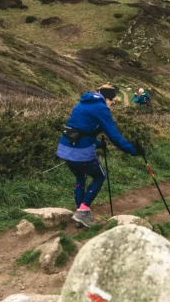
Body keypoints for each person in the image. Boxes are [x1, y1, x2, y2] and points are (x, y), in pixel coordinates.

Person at [56, 84, 144, 227]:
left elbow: (79, 131)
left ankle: (80, 216)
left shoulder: (82, 103)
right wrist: (133, 150)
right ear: (108, 99)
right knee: (99, 176)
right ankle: (83, 211)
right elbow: (114, 136)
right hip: (81, 152)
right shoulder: (101, 107)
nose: (111, 105)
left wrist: (98, 144)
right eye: (112, 101)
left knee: (80, 177)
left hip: (65, 148)